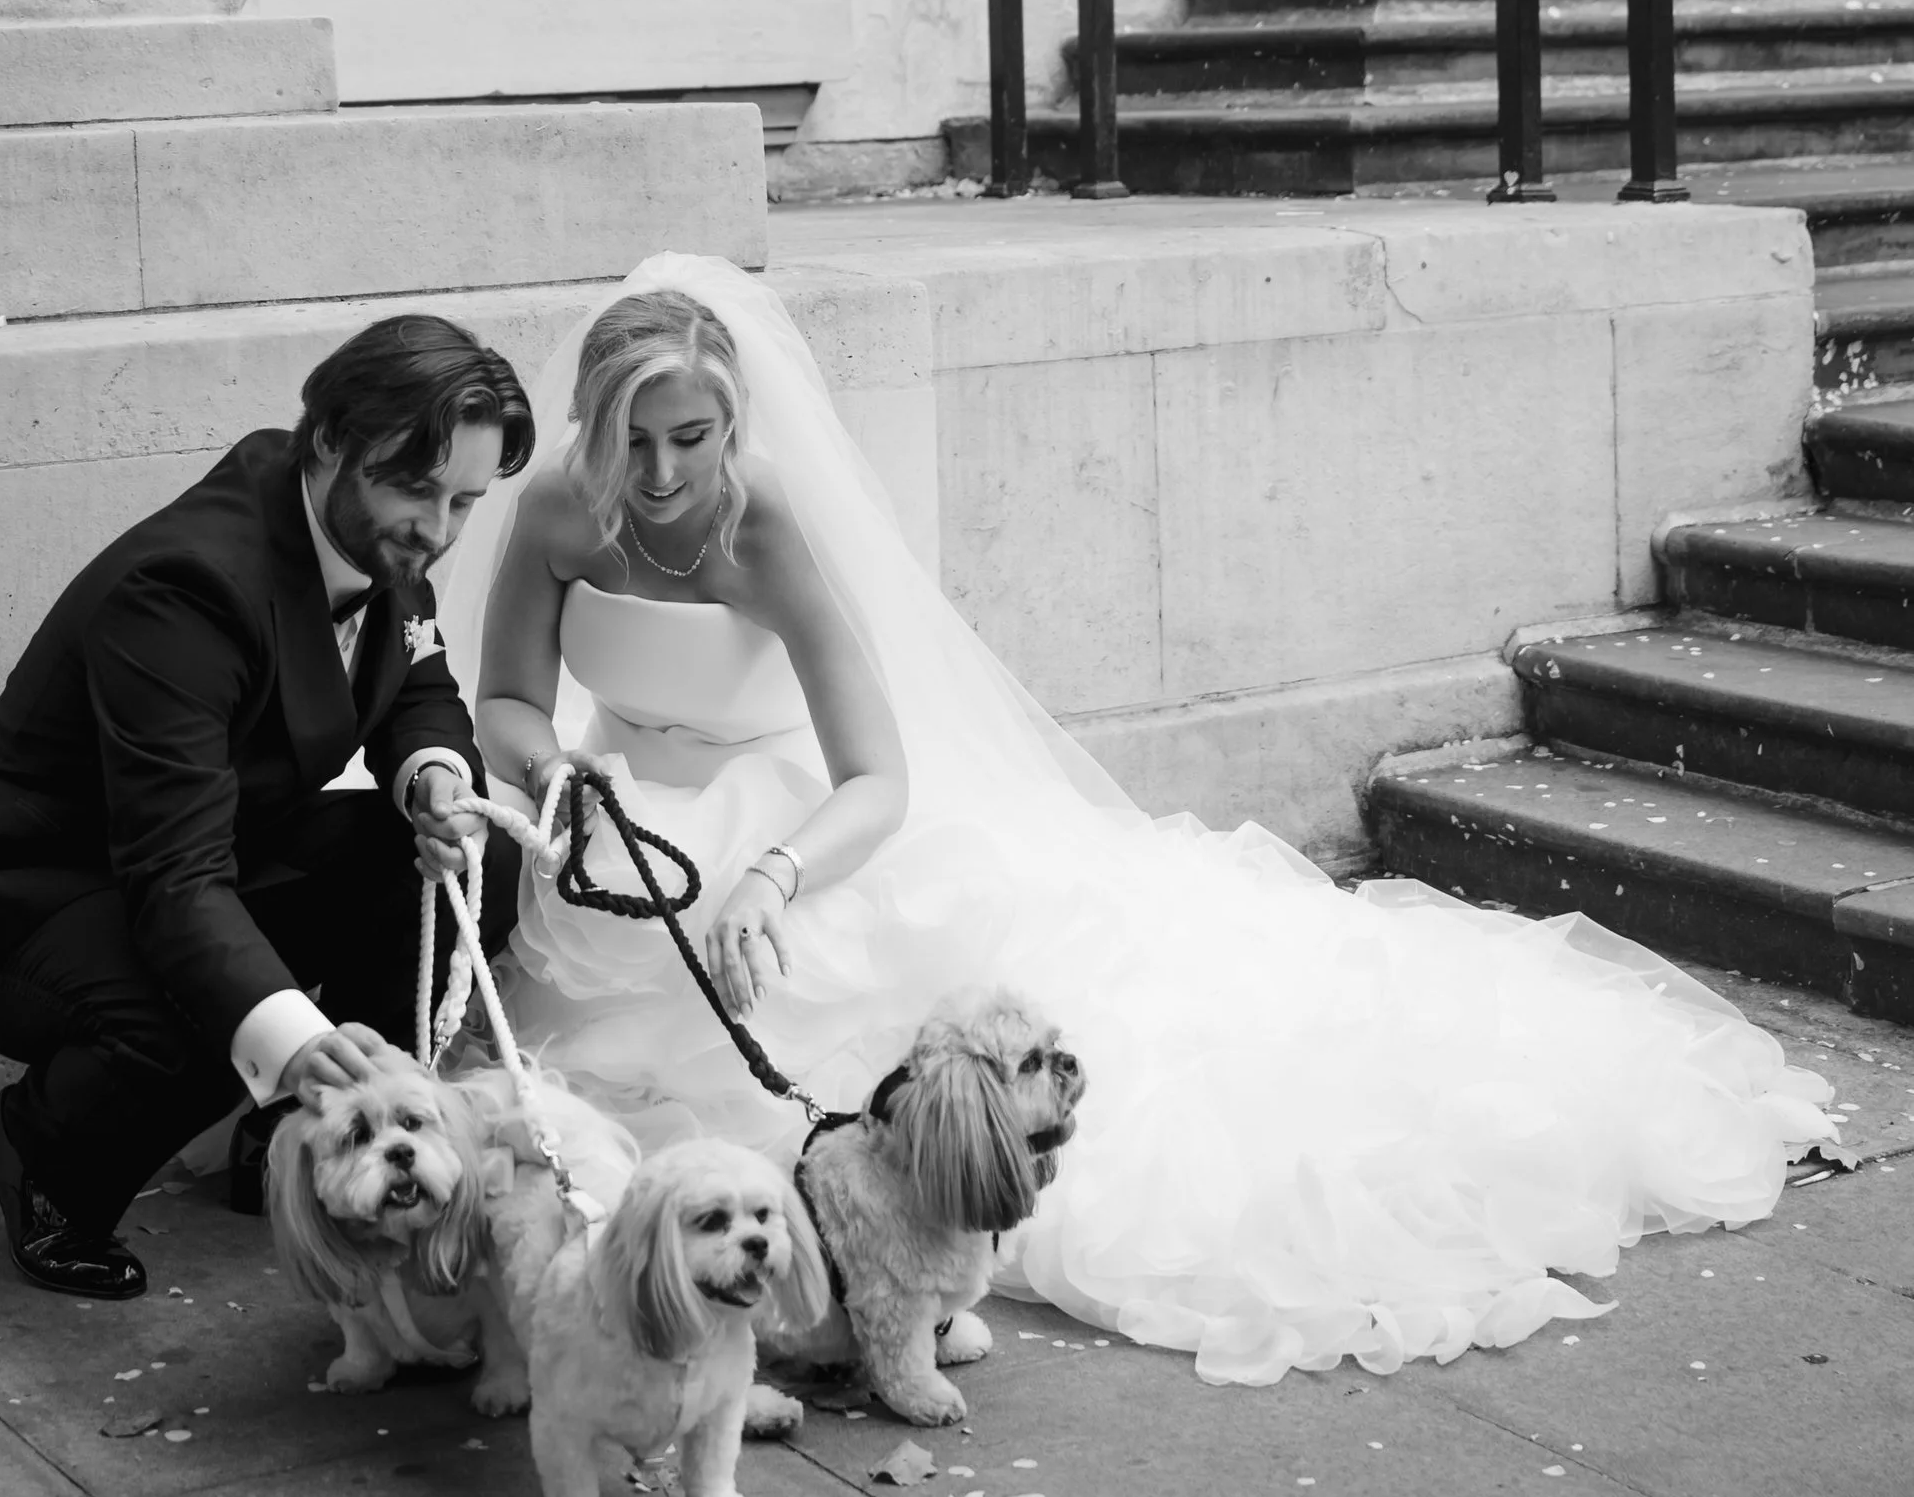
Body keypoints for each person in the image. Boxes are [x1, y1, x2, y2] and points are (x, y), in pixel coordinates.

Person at [445, 259, 1838, 1387]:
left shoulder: (765, 526)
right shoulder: (561, 506)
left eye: (691, 436)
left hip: (787, 824)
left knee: (827, 1034)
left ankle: (876, 1266)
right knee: (596, 1108)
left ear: (732, 425)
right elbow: (506, 695)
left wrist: (772, 875)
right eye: (637, 439)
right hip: (616, 824)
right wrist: (566, 779)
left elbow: (879, 775)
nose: (667, 467)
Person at [0, 312, 532, 1300]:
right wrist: (298, 1039)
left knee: (461, 869)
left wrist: (432, 774)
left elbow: (418, 677)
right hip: (32, 905)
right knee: (206, 1008)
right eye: (415, 486)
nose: (438, 530)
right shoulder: (185, 589)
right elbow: (173, 879)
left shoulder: (367, 525)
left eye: (464, 501)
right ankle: (40, 1156)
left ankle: (319, 1139)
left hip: (209, 849)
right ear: (330, 442)